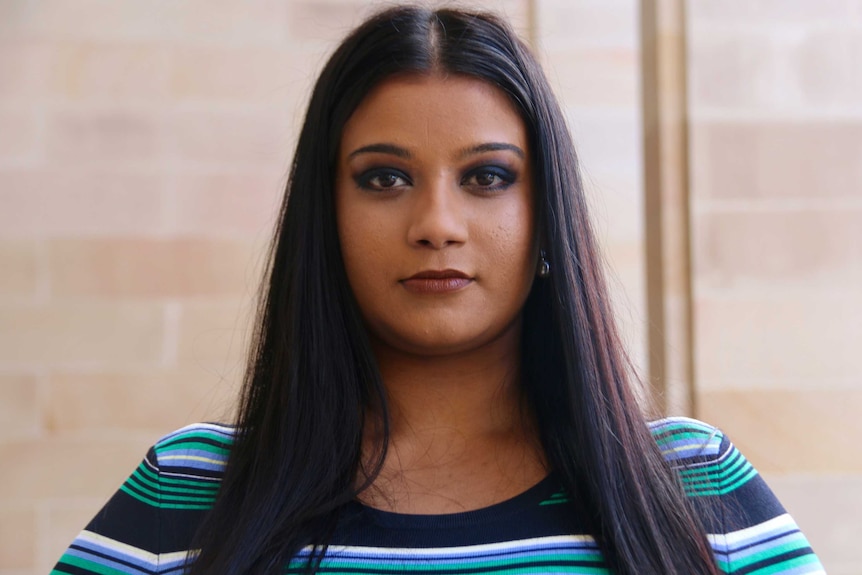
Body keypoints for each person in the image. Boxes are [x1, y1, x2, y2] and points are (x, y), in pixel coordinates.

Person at [51, 5, 824, 575]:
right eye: (385, 178)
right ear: (328, 216)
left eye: (488, 177)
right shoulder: (189, 491)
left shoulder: (694, 487)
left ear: (547, 213)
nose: (437, 223)